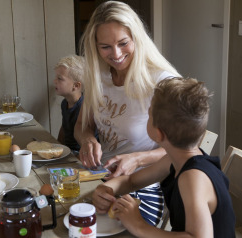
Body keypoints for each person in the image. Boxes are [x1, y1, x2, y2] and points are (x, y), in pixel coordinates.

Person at [74, 1, 180, 225]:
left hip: (145, 185)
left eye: (123, 43)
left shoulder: (162, 82)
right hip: (100, 177)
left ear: (136, 39)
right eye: (105, 47)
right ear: (95, 46)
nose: (116, 54)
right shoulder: (98, 75)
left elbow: (183, 149)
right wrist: (87, 139)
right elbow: (82, 125)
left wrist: (137, 158)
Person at [92, 77, 235, 237]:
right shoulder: (176, 160)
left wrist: (138, 225)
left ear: (159, 134)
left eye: (149, 114)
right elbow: (132, 181)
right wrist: (106, 188)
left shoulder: (193, 178)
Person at [53, 55, 85, 153]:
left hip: (79, 154)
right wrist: (57, 146)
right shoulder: (65, 103)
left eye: (60, 78)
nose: (54, 81)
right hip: (67, 150)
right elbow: (64, 128)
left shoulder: (83, 107)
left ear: (76, 85)